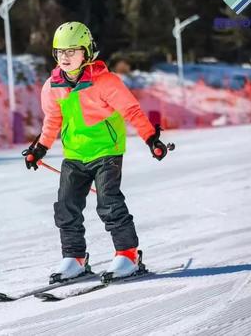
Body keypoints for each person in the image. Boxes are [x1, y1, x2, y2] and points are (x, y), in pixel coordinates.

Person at [23, 22, 168, 282]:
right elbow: (52, 121)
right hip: (75, 154)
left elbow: (132, 111)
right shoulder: (52, 87)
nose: (65, 58)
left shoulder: (106, 82)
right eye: (60, 52)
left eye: (72, 51)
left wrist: (151, 139)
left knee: (109, 204)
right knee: (66, 207)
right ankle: (74, 258)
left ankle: (127, 254)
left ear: (87, 52)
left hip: (106, 152)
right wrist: (40, 148)